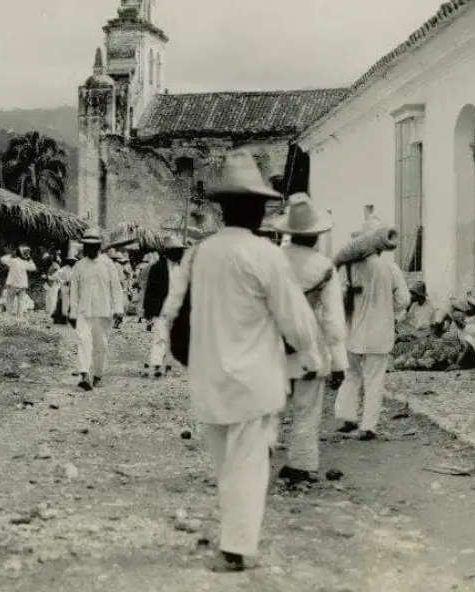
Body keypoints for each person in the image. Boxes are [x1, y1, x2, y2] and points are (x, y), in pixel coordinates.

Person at [161, 150, 317, 572]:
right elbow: (296, 319)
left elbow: (173, 310)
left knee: (225, 462)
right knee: (249, 462)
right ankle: (238, 542)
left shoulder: (201, 254)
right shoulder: (266, 256)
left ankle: (234, 533)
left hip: (209, 377)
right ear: (257, 209)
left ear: (224, 208)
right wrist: (310, 354)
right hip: (256, 379)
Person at [268, 193, 348, 486]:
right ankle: (300, 465)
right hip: (308, 347)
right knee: (307, 408)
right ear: (316, 235)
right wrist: (340, 362)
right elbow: (332, 320)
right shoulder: (324, 267)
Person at [335, 223, 410, 441]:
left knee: (351, 375)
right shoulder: (390, 268)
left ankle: (347, 417)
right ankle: (368, 426)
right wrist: (387, 308)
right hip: (379, 332)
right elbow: (403, 300)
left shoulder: (347, 268)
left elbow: (339, 300)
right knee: (374, 380)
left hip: (352, 332)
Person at [69, 228, 124, 391]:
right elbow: (74, 292)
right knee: (83, 340)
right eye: (88, 245)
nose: (91, 248)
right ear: (84, 246)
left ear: (99, 246)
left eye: (94, 245)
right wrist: (72, 313)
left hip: (103, 312)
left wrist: (118, 309)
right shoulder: (79, 266)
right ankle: (84, 374)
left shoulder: (108, 265)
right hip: (83, 311)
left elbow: (116, 289)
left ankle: (98, 373)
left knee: (101, 346)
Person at [142, 236, 186, 378]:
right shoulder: (157, 268)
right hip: (160, 309)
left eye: (181, 251)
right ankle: (156, 366)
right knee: (159, 337)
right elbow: (150, 290)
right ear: (169, 252)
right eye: (177, 251)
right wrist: (148, 311)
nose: (180, 254)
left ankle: (168, 365)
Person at [1, 245, 36, 317]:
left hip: (13, 285)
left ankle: (9, 317)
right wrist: (29, 257)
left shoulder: (12, 261)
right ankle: (19, 317)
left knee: (10, 301)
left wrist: (11, 255)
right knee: (21, 302)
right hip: (22, 285)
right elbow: (33, 267)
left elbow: (2, 259)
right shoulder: (24, 263)